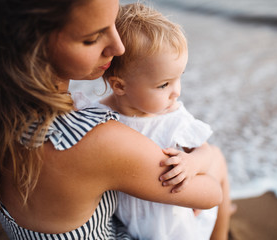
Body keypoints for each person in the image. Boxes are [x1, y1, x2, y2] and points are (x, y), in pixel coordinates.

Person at [0, 0, 224, 239]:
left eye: (113, 24)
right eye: (91, 38)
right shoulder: (95, 140)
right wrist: (209, 159)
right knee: (218, 160)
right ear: (34, 46)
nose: (119, 47)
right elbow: (212, 194)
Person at [96, 3, 232, 240]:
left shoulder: (172, 116)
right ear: (120, 86)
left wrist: (192, 163)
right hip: (127, 222)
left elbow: (205, 151)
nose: (176, 92)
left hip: (174, 224)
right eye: (164, 84)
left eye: (179, 78)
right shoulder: (98, 115)